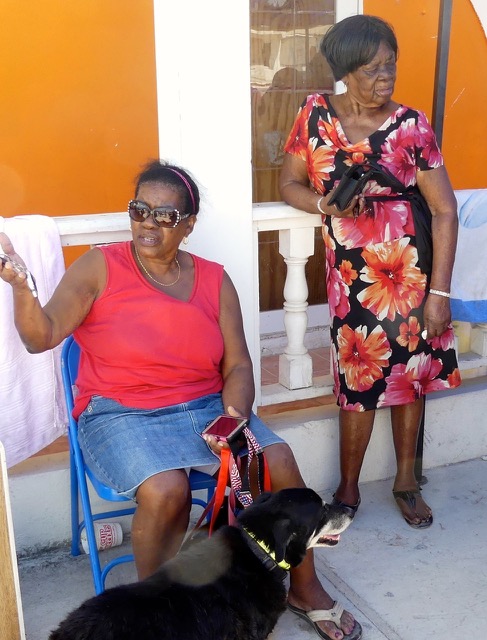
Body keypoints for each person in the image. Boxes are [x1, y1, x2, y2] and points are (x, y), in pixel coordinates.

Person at [0, 159, 362, 640]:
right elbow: (40, 336)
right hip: (120, 413)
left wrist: (234, 417)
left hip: (206, 407)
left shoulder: (214, 279)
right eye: (139, 210)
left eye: (165, 215)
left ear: (188, 226)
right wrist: (22, 285)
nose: (148, 222)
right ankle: (157, 609)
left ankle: (303, 583)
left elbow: (237, 364)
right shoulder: (100, 266)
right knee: (166, 489)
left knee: (278, 459)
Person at [279, 15, 461, 531]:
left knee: (412, 376)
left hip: (411, 273)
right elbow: (289, 183)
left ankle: (407, 481)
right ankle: (348, 487)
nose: (386, 76)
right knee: (356, 380)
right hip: (351, 277)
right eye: (372, 68)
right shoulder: (314, 116)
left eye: (391, 63)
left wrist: (439, 293)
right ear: (344, 72)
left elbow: (444, 210)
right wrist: (326, 206)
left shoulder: (411, 125)